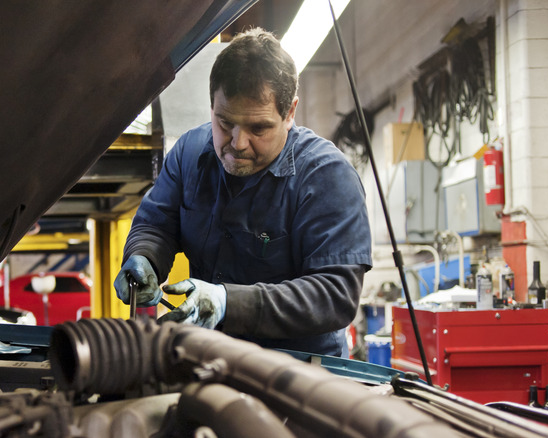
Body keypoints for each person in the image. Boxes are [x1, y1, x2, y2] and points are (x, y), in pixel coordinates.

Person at [113, 28, 372, 357]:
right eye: (224, 123)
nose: (237, 143)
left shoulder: (326, 177)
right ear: (211, 107)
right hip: (208, 359)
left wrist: (228, 302)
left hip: (299, 378)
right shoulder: (188, 155)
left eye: (258, 128)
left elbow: (335, 295)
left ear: (289, 112)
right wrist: (144, 256)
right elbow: (157, 224)